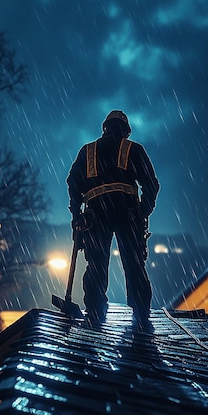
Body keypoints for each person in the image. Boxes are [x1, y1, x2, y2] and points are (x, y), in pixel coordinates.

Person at [67, 110, 160, 327]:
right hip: (126, 211)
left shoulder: (88, 151)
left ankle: (95, 308)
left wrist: (76, 215)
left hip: (96, 212)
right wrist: (143, 210)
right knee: (134, 262)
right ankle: (140, 311)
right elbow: (151, 184)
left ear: (105, 128)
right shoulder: (133, 149)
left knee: (97, 262)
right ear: (126, 131)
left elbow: (73, 183)